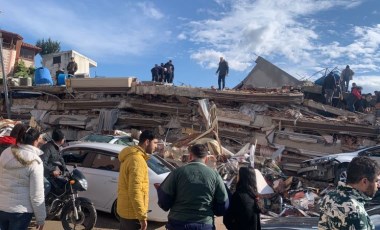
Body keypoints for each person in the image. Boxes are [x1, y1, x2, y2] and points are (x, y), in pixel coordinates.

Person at [157, 144, 229, 230]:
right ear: (206, 159)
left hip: (178, 223)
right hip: (204, 224)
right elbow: (224, 203)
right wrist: (214, 210)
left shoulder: (177, 172)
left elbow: (164, 199)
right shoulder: (215, 175)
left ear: (190, 156)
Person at [0, 125, 46, 230]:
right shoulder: (35, 161)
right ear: (35, 141)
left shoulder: (5, 153)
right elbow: (37, 195)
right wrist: (41, 218)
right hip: (21, 212)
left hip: (2, 207)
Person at [319, 156, 380, 230]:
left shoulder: (329, 196)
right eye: (376, 181)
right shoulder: (355, 210)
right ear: (364, 181)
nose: (378, 185)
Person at [117, 130, 158, 230]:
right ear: (147, 142)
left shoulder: (132, 156)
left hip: (126, 211)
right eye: (155, 143)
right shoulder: (137, 160)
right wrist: (142, 217)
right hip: (132, 215)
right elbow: (135, 191)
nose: (156, 146)